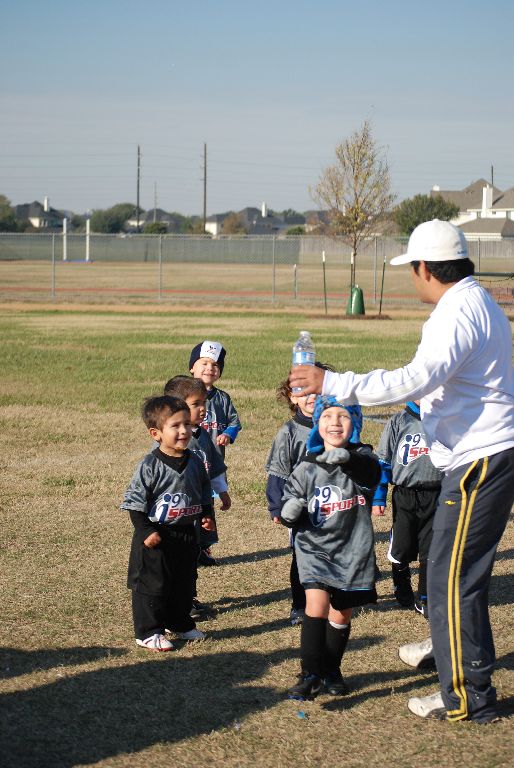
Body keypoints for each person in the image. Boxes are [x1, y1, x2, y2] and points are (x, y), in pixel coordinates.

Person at [288, 219, 514, 723]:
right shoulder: (476, 302)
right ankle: (447, 647)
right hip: (479, 456)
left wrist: (336, 382)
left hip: (480, 460)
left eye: (412, 269)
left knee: (453, 579)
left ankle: (467, 697)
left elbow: (415, 379)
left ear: (425, 268)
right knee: (449, 571)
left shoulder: (456, 312)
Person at [280, 395, 380, 701]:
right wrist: (290, 508)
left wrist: (347, 459)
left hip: (352, 549)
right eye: (327, 417)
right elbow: (292, 493)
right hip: (314, 548)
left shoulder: (363, 457)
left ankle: (331, 670)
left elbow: (371, 475)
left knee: (341, 613)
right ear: (317, 425)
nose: (334, 423)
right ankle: (309, 674)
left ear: (356, 423)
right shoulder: (309, 462)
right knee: (316, 604)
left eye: (343, 417)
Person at [265, 366, 362, 626]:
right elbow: (278, 472)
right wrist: (277, 506)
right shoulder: (288, 432)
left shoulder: (336, 428)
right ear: (291, 397)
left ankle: (334, 600)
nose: (311, 397)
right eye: (302, 391)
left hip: (336, 506)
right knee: (303, 559)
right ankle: (301, 605)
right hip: (303, 509)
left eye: (316, 391)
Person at [121, 395, 215, 651]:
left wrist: (206, 515)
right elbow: (134, 503)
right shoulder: (150, 465)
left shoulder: (195, 461)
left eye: (187, 424)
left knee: (183, 582)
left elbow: (204, 491)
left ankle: (180, 623)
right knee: (153, 585)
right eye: (175, 426)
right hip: (156, 536)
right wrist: (145, 531)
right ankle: (148, 631)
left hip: (186, 533)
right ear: (156, 433)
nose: (184, 431)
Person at [163, 375, 231, 617]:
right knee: (176, 557)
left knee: (192, 554)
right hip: (177, 511)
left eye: (204, 403)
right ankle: (173, 601)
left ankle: (188, 598)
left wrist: (222, 491)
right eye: (196, 404)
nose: (203, 409)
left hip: (200, 506)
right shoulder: (172, 441)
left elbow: (214, 466)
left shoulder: (203, 436)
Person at [371, 400, 442, 617]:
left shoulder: (446, 418)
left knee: (431, 549)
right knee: (402, 546)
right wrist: (379, 497)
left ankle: (425, 597)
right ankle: (401, 581)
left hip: (437, 494)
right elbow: (383, 461)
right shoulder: (399, 421)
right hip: (405, 495)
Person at [189, 340, 241, 564]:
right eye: (204, 363)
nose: (210, 368)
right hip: (188, 462)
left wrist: (228, 434)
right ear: (192, 367)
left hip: (211, 463)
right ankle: (186, 546)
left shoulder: (222, 399)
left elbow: (234, 422)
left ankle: (204, 548)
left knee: (207, 506)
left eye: (215, 365)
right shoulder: (184, 396)